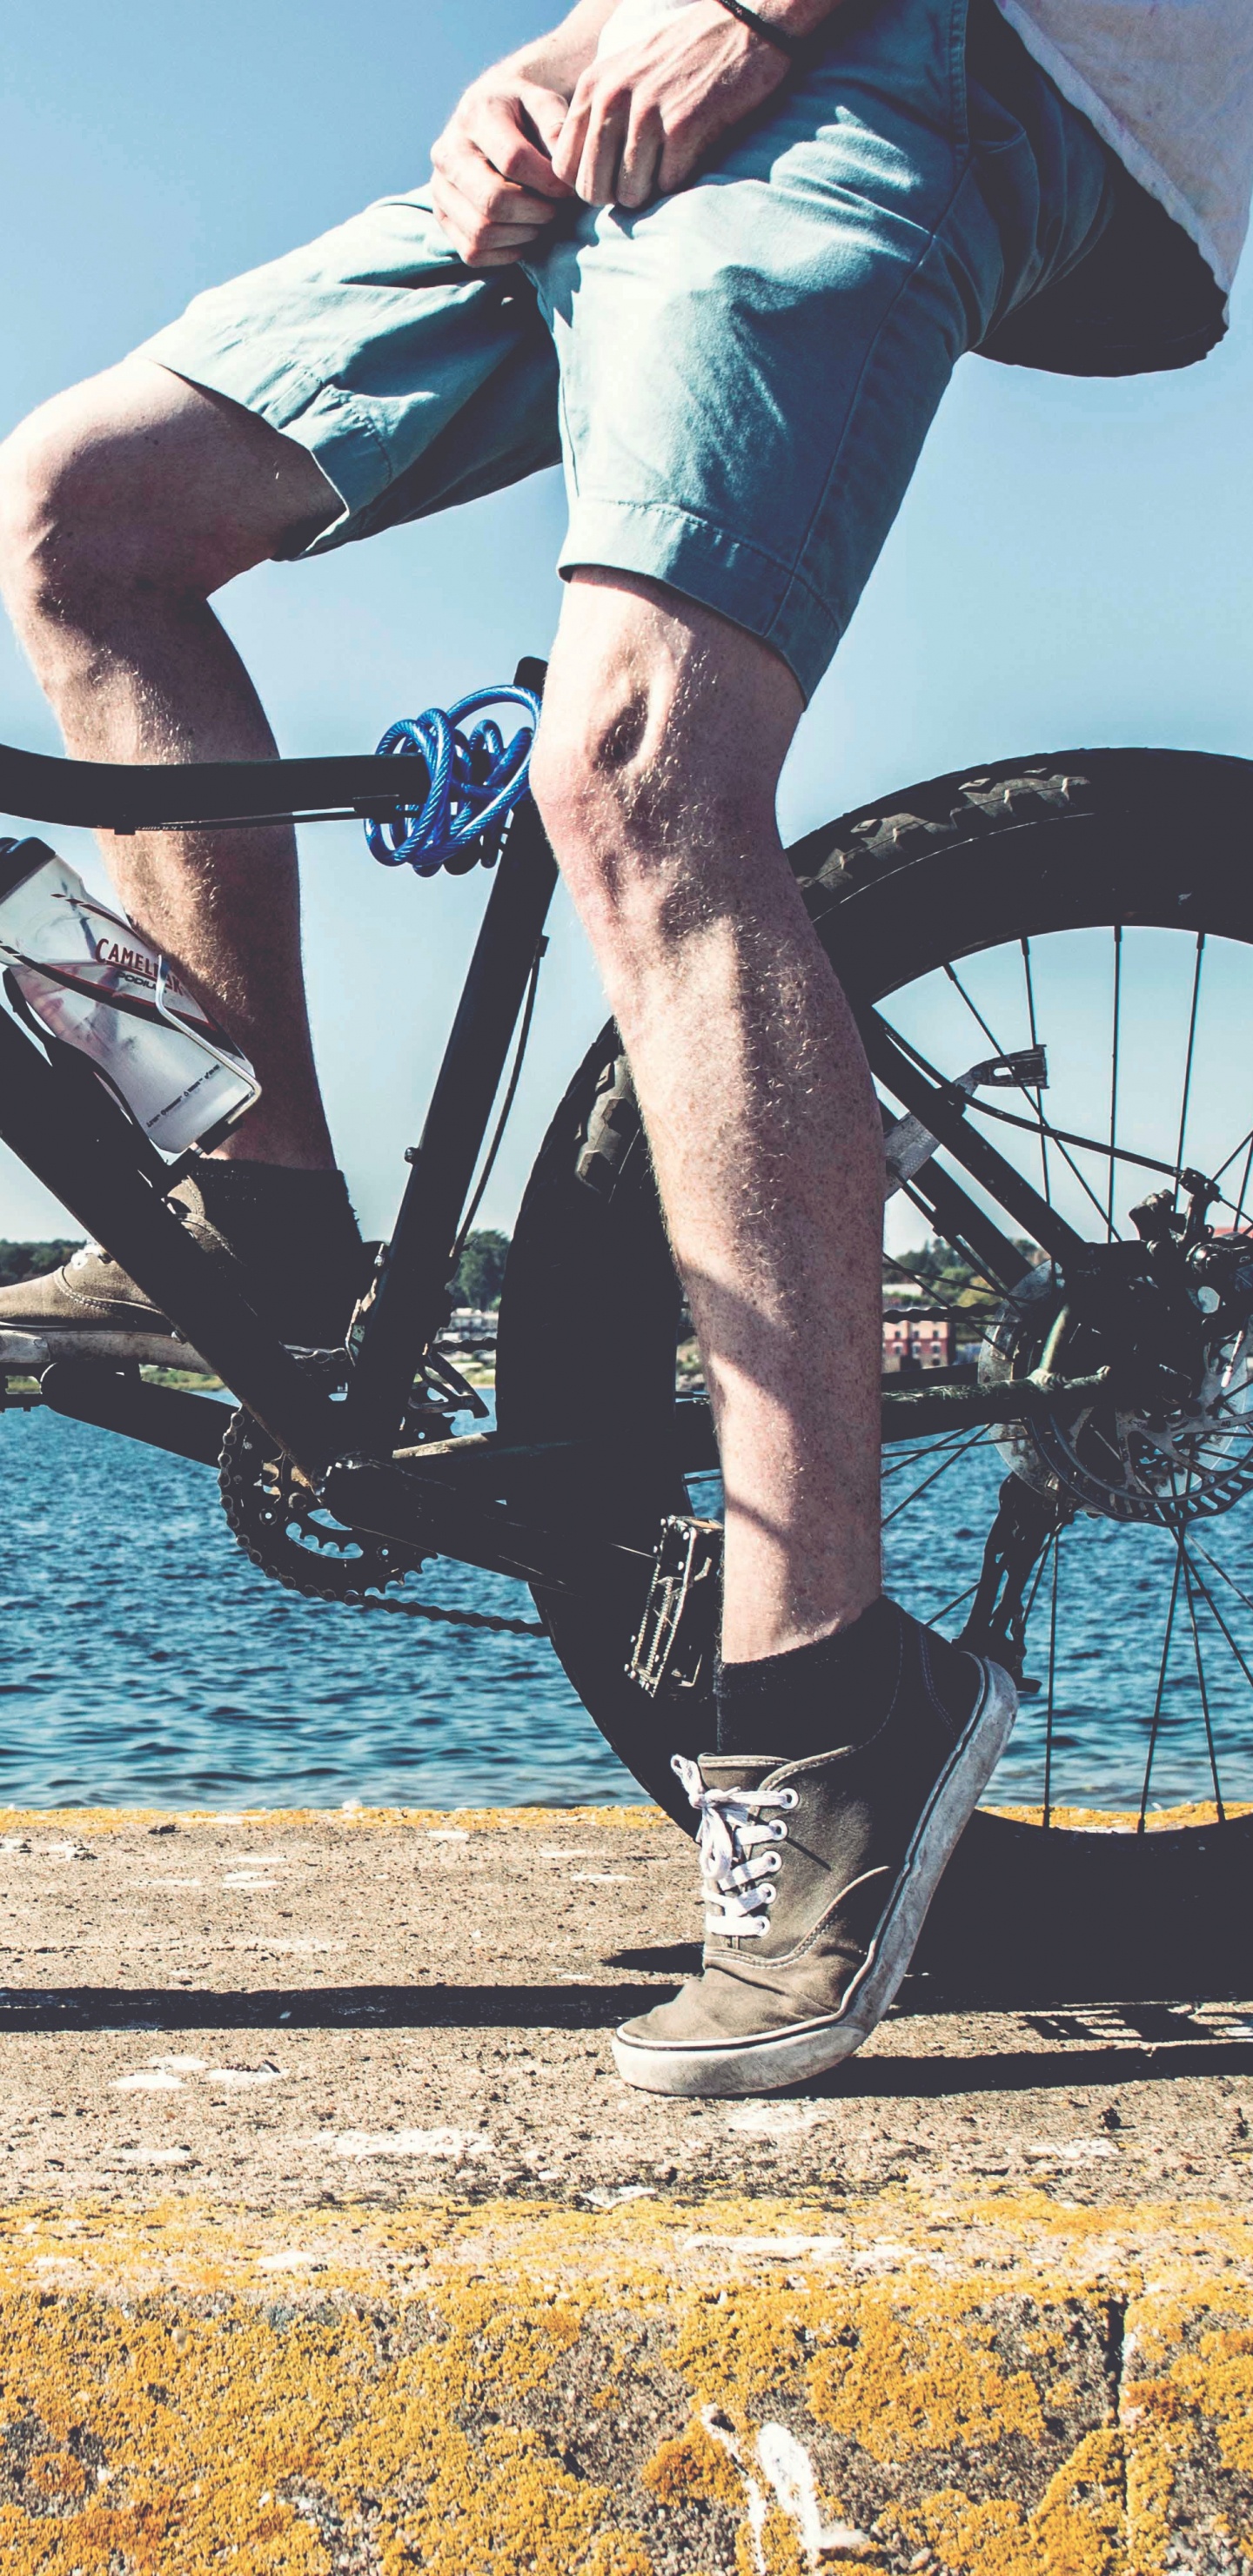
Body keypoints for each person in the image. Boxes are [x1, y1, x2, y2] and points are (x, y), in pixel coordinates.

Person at [0, 0, 1249, 2096]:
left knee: (635, 765)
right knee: (79, 517)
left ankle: (830, 1704)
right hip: (668, 85)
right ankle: (259, 1220)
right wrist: (576, 44)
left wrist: (756, 13)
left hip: (949, 55)